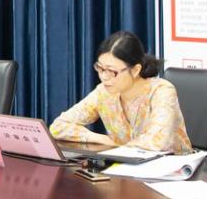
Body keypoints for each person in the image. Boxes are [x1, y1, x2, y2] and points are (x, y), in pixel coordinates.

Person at [49, 30, 191, 154]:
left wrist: (117, 146)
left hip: (173, 169)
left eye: (112, 71)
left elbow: (156, 143)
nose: (104, 77)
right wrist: (99, 138)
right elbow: (58, 127)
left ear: (135, 70)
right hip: (125, 166)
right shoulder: (103, 93)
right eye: (100, 68)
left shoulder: (161, 91)